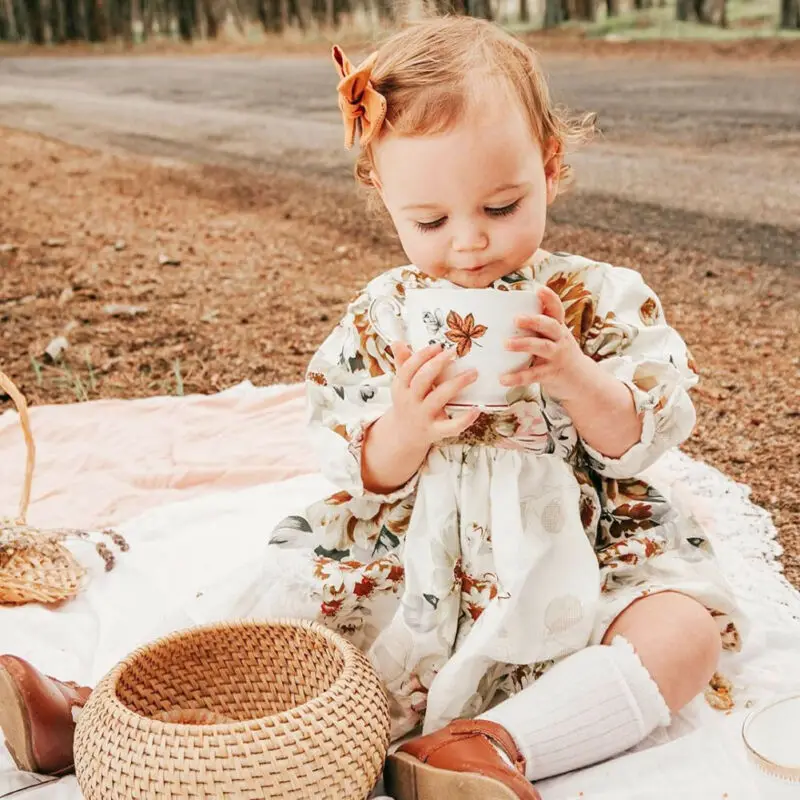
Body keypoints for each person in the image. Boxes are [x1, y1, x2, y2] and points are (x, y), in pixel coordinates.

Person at [0, 16, 742, 799]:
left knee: (684, 633)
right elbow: (360, 464)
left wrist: (577, 376)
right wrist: (406, 430)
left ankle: (491, 746)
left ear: (550, 168)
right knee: (283, 613)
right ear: (383, 196)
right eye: (430, 221)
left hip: (579, 538)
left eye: (501, 207)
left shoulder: (599, 297)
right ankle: (105, 717)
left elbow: (643, 436)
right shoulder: (384, 312)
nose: (468, 244)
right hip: (417, 539)